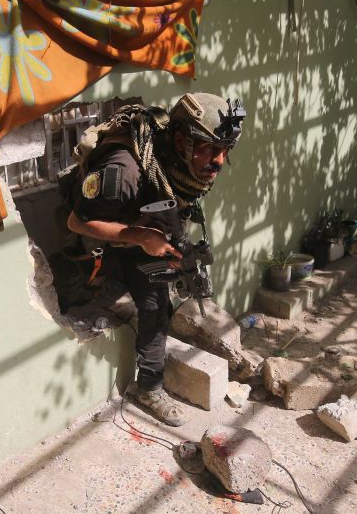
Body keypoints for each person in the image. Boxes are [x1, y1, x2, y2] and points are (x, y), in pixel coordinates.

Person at [66, 92, 246, 426]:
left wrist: (167, 244)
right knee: (155, 306)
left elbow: (168, 198)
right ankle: (147, 387)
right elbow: (77, 222)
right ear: (181, 141)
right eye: (210, 148)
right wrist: (140, 237)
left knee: (168, 278)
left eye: (224, 151)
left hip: (141, 222)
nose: (219, 161)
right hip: (105, 227)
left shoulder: (173, 159)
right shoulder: (122, 174)